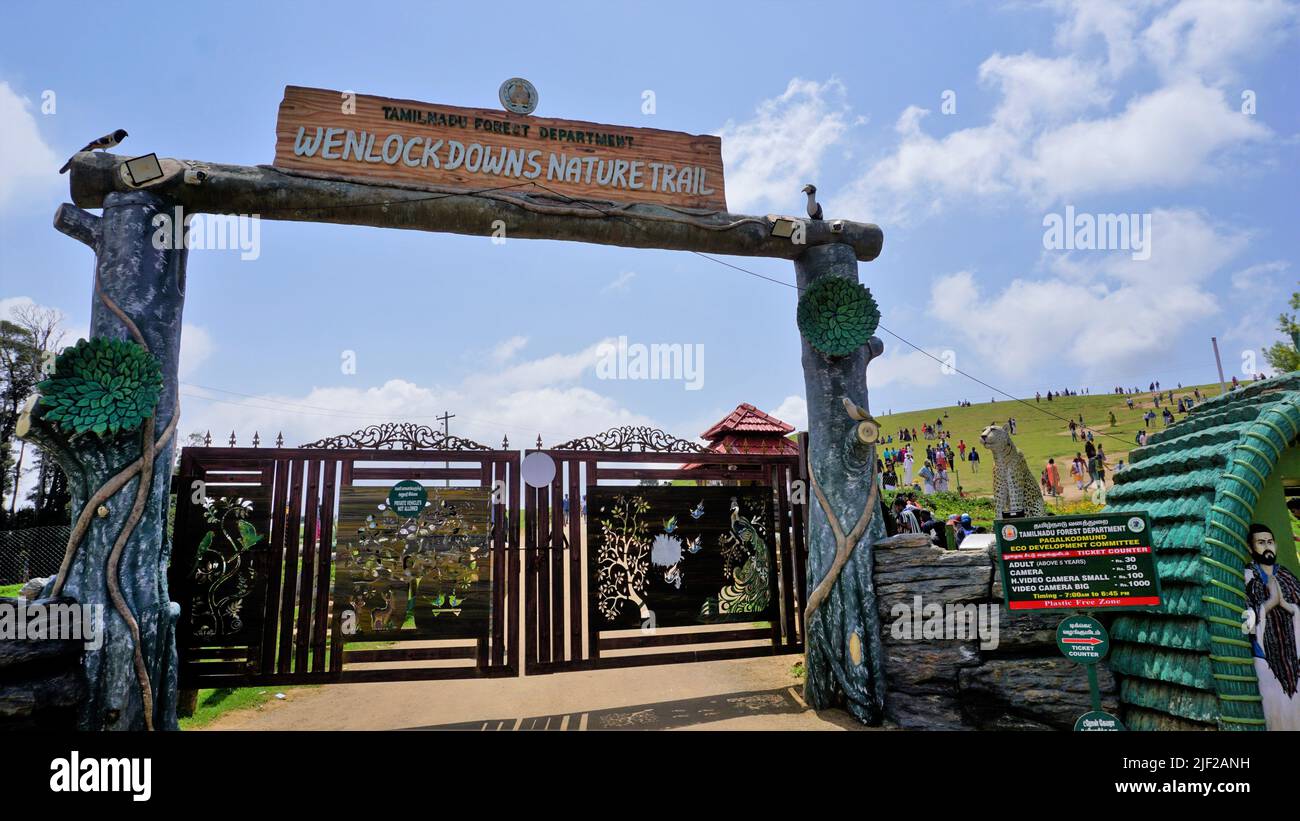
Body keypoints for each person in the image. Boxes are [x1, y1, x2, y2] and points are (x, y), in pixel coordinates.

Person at [1242, 523, 1300, 729]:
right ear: (1250, 548)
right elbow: (1244, 622)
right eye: (1260, 542)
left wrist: (1288, 606)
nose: (1267, 547)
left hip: (1295, 658)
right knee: (1273, 712)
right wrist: (1268, 606)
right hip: (1265, 660)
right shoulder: (1246, 577)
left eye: (1270, 542)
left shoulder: (1286, 575)